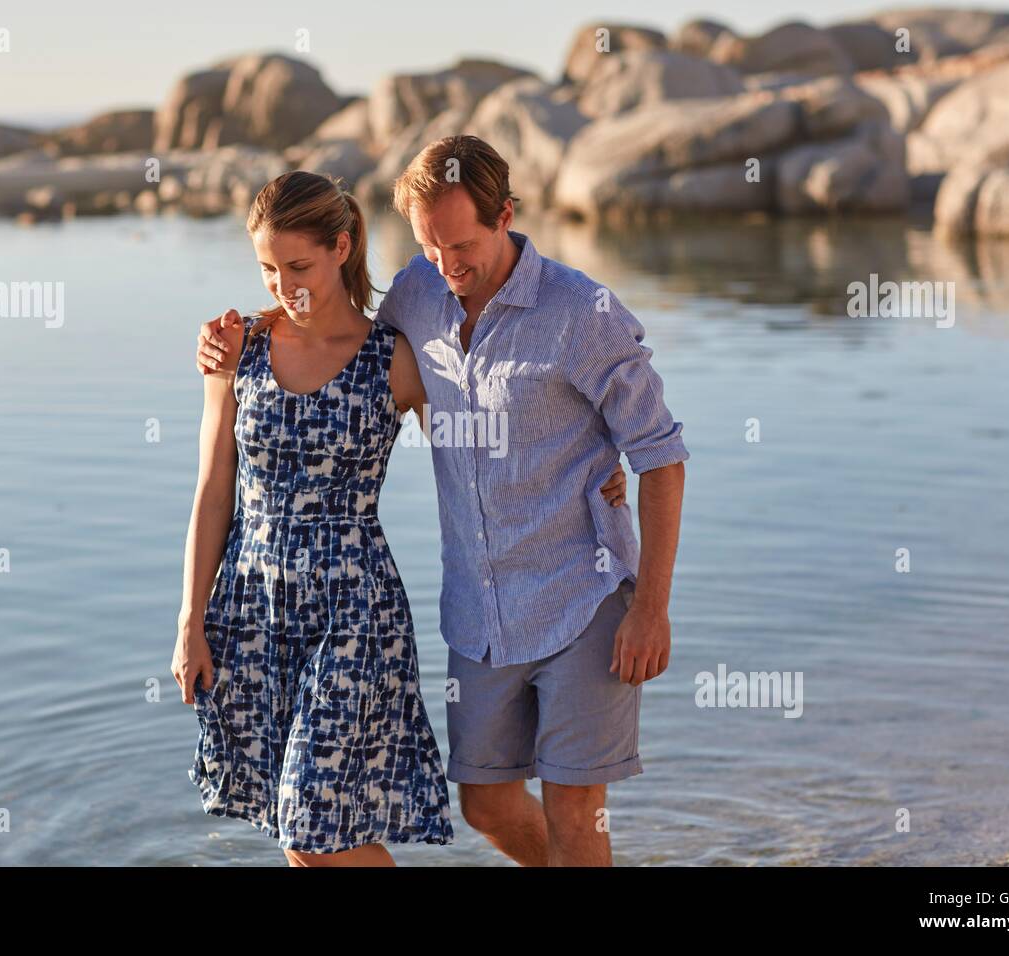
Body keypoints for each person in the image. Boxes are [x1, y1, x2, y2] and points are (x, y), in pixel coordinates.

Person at [193, 142, 660, 867]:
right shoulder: (389, 307)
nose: (446, 264)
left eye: (462, 244)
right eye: (428, 246)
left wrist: (613, 479)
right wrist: (193, 620)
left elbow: (632, 445)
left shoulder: (533, 320)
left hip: (494, 599)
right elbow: (228, 468)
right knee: (453, 810)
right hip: (373, 610)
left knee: (563, 810)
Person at [171, 170, 456, 866]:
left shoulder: (395, 362)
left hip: (354, 614)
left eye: (297, 266)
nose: (280, 284)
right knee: (303, 832)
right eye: (267, 268)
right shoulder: (237, 351)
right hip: (253, 608)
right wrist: (190, 621)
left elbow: (478, 461)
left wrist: (590, 476)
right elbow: (213, 489)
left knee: (308, 822)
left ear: (341, 245)